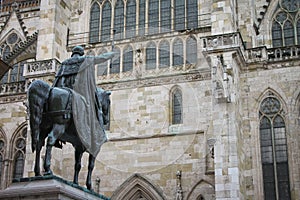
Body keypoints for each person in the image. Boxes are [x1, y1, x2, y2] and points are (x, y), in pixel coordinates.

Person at [53, 45, 115, 157]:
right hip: (79, 92)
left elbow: (58, 80)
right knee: (95, 109)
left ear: (73, 53)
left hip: (63, 90)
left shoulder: (65, 63)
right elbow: (100, 58)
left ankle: (55, 137)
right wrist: (111, 54)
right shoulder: (84, 60)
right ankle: (95, 132)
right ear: (81, 53)